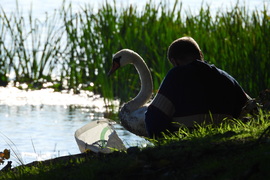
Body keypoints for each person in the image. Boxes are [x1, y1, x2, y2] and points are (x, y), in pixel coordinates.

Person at [145, 37, 249, 138]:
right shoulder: (226, 78)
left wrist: (162, 140)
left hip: (185, 140)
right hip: (223, 138)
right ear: (200, 55)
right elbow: (251, 109)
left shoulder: (177, 75)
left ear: (174, 61)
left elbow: (154, 119)